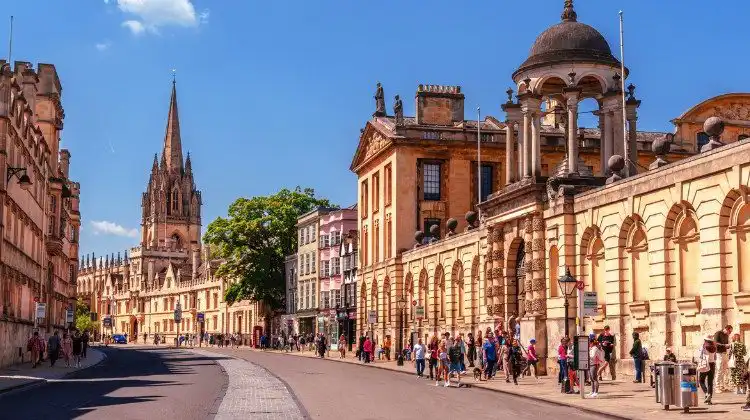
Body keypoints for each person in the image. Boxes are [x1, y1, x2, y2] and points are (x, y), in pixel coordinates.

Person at [696, 335, 717, 404]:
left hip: (705, 364)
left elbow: (699, 355)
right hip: (712, 364)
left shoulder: (704, 346)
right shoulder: (714, 347)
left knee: (701, 381)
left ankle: (706, 393)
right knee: (710, 382)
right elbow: (715, 357)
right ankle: (709, 399)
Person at [714, 325, 733, 393]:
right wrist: (724, 345)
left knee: (725, 370)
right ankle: (717, 387)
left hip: (725, 354)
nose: (730, 333)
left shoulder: (726, 336)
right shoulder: (718, 333)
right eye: (730, 331)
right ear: (726, 329)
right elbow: (715, 343)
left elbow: (726, 345)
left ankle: (723, 386)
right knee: (719, 370)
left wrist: (729, 346)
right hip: (719, 354)